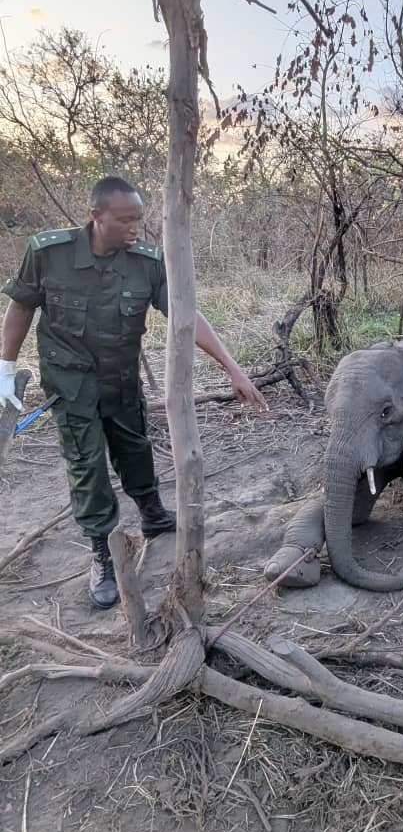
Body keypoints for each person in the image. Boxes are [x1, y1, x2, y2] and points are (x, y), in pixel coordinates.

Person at [1, 176, 268, 608]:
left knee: (135, 447)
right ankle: (103, 552)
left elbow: (187, 314)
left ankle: (151, 515)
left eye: (139, 220)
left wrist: (233, 368)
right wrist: (5, 368)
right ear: (96, 216)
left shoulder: (146, 261)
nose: (135, 229)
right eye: (125, 220)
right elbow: (22, 305)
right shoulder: (48, 253)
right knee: (87, 463)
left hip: (121, 379)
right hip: (70, 381)